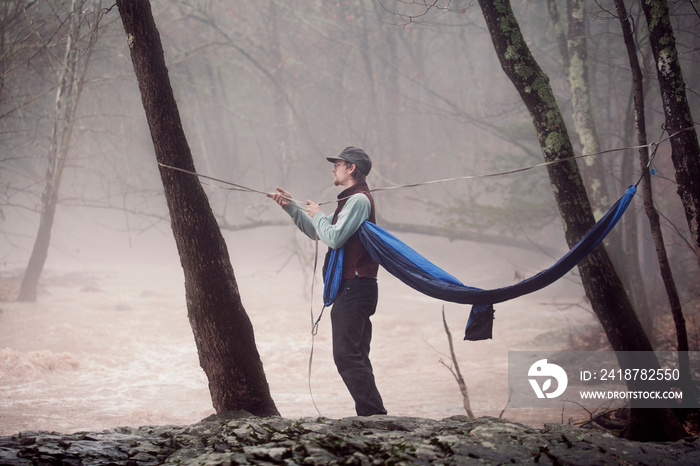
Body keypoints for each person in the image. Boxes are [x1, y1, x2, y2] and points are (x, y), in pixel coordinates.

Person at [269, 146, 387, 416]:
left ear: (352, 168)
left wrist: (319, 214)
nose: (333, 168)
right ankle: (373, 414)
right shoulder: (350, 200)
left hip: (356, 287)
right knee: (356, 355)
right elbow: (319, 232)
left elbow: (332, 237)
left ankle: (373, 415)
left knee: (346, 355)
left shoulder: (358, 200)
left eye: (338, 164)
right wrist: (292, 208)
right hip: (355, 287)